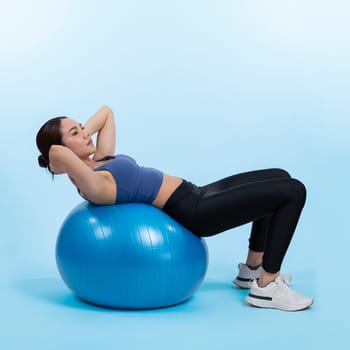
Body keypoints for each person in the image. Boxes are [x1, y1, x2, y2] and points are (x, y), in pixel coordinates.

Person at [36, 105, 313, 312]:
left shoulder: (100, 160)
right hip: (195, 210)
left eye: (82, 128)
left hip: (196, 191)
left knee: (279, 175)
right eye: (75, 132)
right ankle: (267, 286)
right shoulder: (96, 185)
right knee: (293, 191)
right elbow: (57, 154)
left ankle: (252, 270)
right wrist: (56, 159)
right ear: (62, 149)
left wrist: (76, 134)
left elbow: (107, 113)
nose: (85, 133)